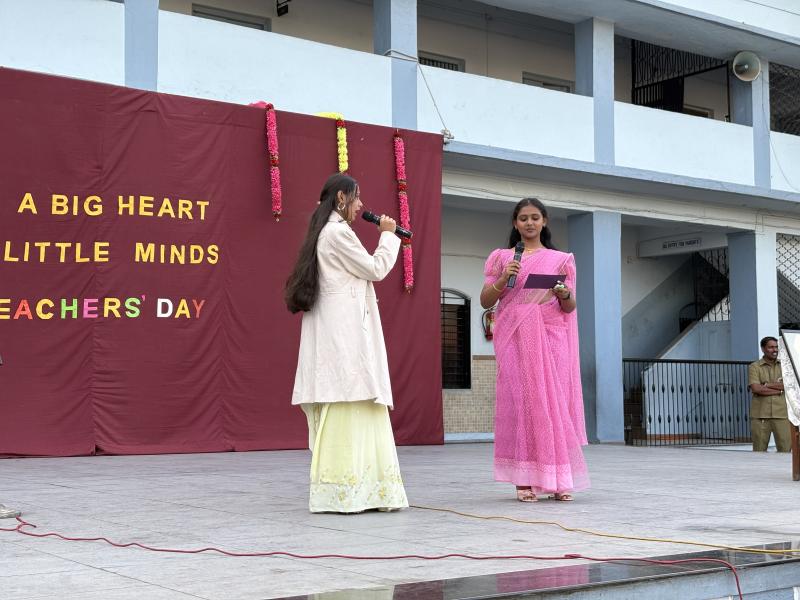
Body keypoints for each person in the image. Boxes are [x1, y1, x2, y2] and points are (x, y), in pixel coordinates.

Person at [285, 173, 409, 513]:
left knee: (353, 395)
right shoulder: (337, 233)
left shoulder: (326, 231)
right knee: (352, 393)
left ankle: (363, 492)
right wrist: (388, 235)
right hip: (344, 336)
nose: (361, 205)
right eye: (356, 198)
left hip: (341, 333)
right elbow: (375, 268)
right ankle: (354, 493)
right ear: (341, 198)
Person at [480, 198, 589, 503]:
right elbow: (486, 300)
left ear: (544, 221)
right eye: (523, 218)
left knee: (553, 407)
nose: (529, 223)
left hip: (551, 339)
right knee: (523, 407)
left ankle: (559, 480)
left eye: (535, 217)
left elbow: (569, 307)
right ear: (515, 224)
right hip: (514, 339)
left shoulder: (560, 260)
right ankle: (524, 480)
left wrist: (564, 293)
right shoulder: (501, 258)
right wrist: (504, 278)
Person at [748, 336, 792, 452]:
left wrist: (766, 384)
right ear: (763, 349)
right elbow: (756, 388)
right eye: (771, 347)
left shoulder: (785, 366)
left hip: (782, 414)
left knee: (785, 450)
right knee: (759, 451)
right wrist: (779, 390)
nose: (775, 350)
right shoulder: (754, 367)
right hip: (760, 414)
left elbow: (789, 385)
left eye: (776, 347)